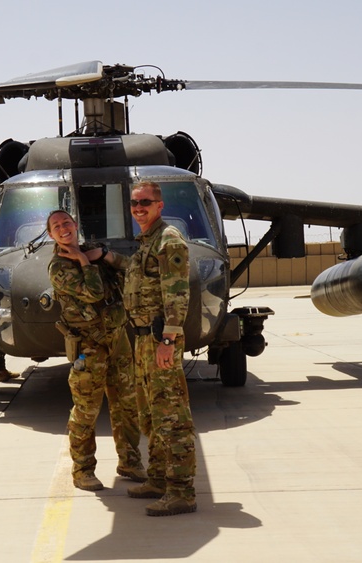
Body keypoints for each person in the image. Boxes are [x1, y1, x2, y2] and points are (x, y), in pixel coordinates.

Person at [46, 209, 145, 492]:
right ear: (52, 235)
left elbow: (132, 268)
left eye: (67, 222)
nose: (63, 228)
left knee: (126, 404)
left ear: (76, 225)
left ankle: (130, 461)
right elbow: (94, 293)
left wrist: (103, 255)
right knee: (87, 410)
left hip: (118, 340)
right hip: (88, 347)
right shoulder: (60, 267)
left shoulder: (94, 251)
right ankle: (83, 469)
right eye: (56, 226)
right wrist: (83, 262)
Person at [122, 180, 197, 516]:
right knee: (150, 414)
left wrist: (168, 340)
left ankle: (182, 491)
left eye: (145, 202)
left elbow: (177, 293)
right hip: (142, 340)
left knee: (171, 416)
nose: (139, 208)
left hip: (159, 341)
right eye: (135, 203)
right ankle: (157, 478)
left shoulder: (168, 240)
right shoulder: (146, 242)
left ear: (159, 205)